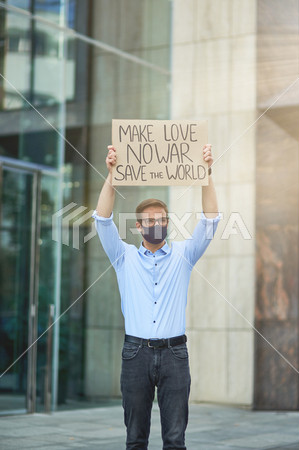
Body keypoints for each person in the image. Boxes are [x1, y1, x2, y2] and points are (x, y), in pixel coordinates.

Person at [92, 143, 220, 450]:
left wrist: (206, 174)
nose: (157, 225)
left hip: (175, 355)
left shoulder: (184, 255)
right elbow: (102, 220)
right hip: (135, 355)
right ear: (138, 227)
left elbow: (211, 221)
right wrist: (112, 175)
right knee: (135, 439)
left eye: (162, 220)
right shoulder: (123, 257)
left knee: (175, 440)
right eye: (150, 221)